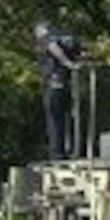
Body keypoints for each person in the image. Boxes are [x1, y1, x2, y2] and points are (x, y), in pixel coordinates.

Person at [33, 21, 80, 160]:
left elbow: (53, 48)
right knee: (64, 118)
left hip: (53, 83)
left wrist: (68, 63)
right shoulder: (66, 40)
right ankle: (65, 150)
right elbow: (78, 52)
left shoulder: (46, 38)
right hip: (64, 83)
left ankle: (57, 153)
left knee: (54, 119)